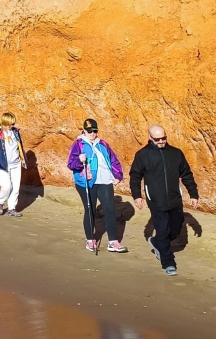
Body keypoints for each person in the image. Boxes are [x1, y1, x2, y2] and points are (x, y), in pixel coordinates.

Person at [131, 125, 199, 275]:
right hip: (156, 200)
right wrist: (137, 196)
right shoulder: (143, 155)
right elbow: (135, 176)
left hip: (175, 199)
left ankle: (156, 243)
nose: (161, 141)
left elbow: (186, 174)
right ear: (150, 138)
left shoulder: (176, 153)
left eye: (163, 138)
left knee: (174, 231)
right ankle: (168, 263)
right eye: (157, 139)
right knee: (162, 231)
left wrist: (193, 194)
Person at [68, 118, 127, 250]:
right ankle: (90, 240)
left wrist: (118, 175)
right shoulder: (78, 144)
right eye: (89, 131)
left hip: (104, 180)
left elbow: (113, 160)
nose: (92, 133)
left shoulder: (103, 144)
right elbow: (71, 164)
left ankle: (113, 242)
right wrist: (79, 160)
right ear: (84, 131)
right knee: (90, 210)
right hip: (86, 182)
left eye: (94, 131)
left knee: (110, 210)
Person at [0, 112, 26, 218]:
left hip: (16, 163)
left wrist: (22, 158)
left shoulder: (15, 132)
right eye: (10, 124)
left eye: (13, 124)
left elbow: (19, 146)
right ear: (4, 123)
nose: (12, 126)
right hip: (3, 164)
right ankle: (0, 203)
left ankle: (11, 208)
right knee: (6, 187)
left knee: (15, 188)